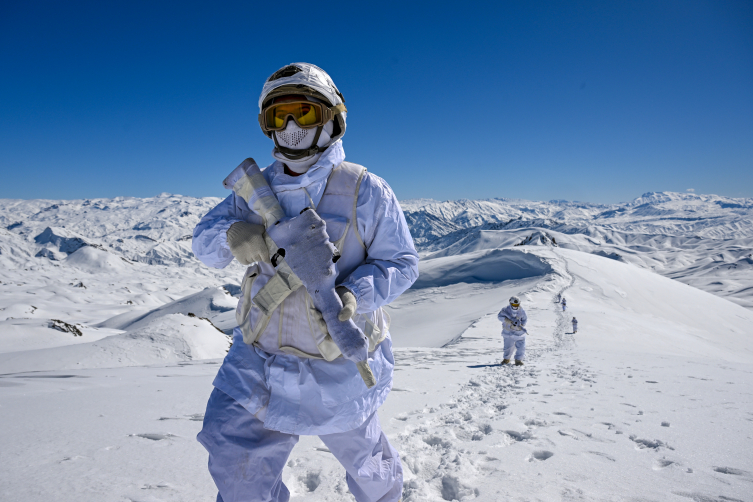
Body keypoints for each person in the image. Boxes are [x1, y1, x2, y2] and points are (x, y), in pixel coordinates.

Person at [192, 62, 419, 502]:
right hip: (260, 356)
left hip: (338, 358)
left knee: (368, 464)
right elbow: (203, 245)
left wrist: (354, 295)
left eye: (303, 112)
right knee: (231, 454)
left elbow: (402, 262)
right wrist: (230, 235)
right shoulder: (254, 192)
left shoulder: (364, 190)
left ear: (332, 117)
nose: (291, 127)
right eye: (280, 116)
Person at [497, 296, 528, 366]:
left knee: (521, 347)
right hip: (508, 332)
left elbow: (525, 319)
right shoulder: (505, 310)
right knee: (508, 347)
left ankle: (518, 360)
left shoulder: (521, 311)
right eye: (513, 305)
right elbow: (499, 316)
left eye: (517, 305)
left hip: (519, 333)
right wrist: (506, 320)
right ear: (510, 303)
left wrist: (522, 325)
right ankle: (506, 359)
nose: (515, 306)